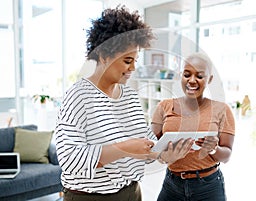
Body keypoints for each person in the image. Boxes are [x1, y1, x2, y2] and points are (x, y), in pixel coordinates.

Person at [54, 5, 193, 201]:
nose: (133, 68)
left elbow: (145, 143)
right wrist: (125, 148)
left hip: (132, 192)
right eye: (128, 60)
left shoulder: (129, 95)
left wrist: (164, 155)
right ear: (103, 55)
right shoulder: (78, 96)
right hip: (90, 197)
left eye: (135, 60)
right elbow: (70, 160)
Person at [151, 52, 235, 201]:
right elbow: (151, 148)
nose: (192, 81)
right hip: (172, 184)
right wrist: (163, 156)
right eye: (187, 74)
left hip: (209, 186)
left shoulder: (222, 110)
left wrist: (214, 148)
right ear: (180, 76)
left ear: (209, 79)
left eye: (199, 76)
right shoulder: (164, 106)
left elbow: (227, 155)